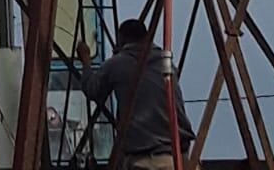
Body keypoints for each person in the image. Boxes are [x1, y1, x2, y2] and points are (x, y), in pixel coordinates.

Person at [77, 18, 194, 170]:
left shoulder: (117, 64)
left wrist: (86, 61)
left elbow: (92, 90)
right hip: (179, 154)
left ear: (122, 39)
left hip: (146, 157)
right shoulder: (165, 63)